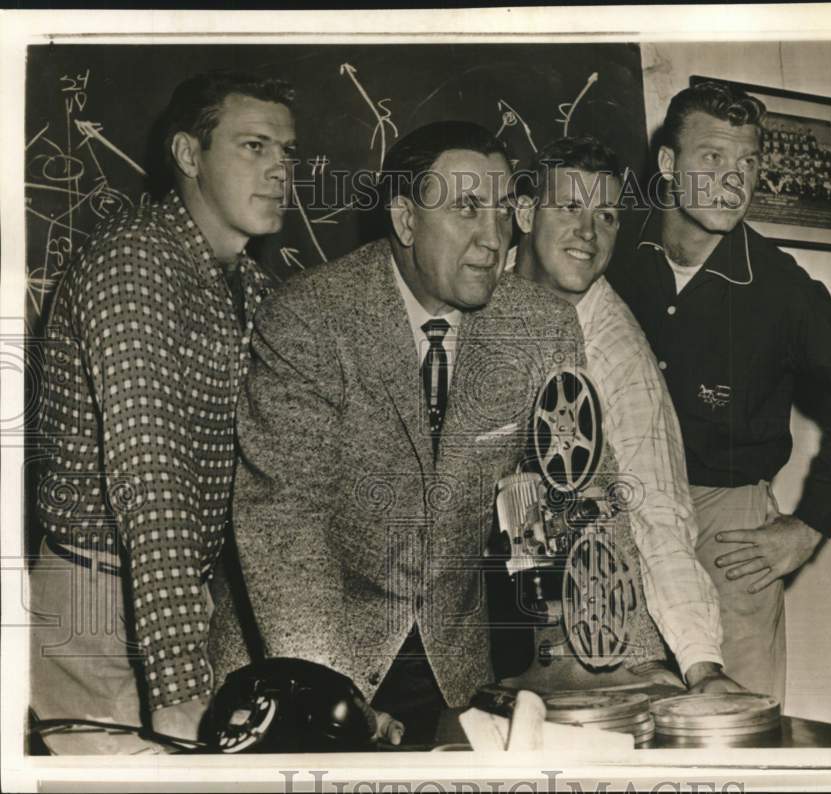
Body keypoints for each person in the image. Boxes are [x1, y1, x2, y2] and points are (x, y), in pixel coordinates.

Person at [209, 121, 585, 745]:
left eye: (502, 210)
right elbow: (286, 523)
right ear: (406, 221)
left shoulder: (542, 327)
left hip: (455, 667)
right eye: (466, 208)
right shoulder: (310, 316)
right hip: (305, 655)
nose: (493, 238)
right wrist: (332, 700)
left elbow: (572, 493)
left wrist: (603, 657)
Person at [30, 71, 296, 752]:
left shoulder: (249, 287)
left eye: (287, 153)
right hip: (98, 603)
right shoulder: (134, 265)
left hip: (179, 597)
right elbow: (152, 483)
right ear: (188, 154)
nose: (279, 172)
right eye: (254, 147)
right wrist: (181, 686)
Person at [610, 81, 831, 702]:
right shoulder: (611, 252)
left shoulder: (783, 290)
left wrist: (810, 526)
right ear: (668, 164)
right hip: (616, 508)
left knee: (736, 722)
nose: (733, 180)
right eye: (713, 158)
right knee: (621, 712)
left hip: (728, 526)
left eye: (747, 162)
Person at [511, 136, 741, 694]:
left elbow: (658, 509)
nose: (588, 233)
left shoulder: (617, 350)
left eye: (607, 215)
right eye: (570, 207)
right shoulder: (477, 290)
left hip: (595, 636)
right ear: (523, 211)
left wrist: (702, 665)